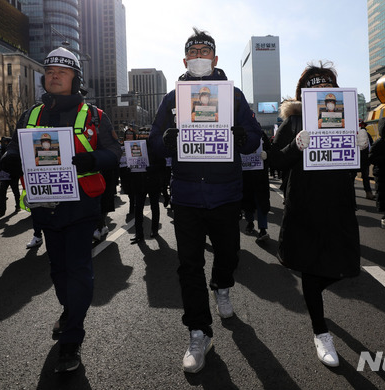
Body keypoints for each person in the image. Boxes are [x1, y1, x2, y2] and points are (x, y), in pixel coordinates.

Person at [148, 28, 262, 374]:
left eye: (204, 51)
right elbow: (153, 142)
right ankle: (199, 332)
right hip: (186, 195)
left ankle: (223, 285)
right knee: (189, 265)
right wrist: (165, 141)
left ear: (214, 59)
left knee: (228, 254)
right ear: (185, 60)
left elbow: (254, 138)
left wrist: (244, 137)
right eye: (193, 51)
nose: (199, 56)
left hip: (226, 193)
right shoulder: (172, 98)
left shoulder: (234, 96)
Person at [1, 47, 121, 372]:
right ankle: (70, 311)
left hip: (81, 207)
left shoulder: (95, 116)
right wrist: (9, 159)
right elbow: (14, 146)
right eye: (50, 70)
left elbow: (114, 151)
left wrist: (93, 159)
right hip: (44, 208)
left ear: (75, 78)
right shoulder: (29, 115)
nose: (54, 75)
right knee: (58, 270)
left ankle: (72, 339)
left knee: (79, 269)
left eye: (62, 71)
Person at [262, 62, 370, 367]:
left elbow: (354, 166)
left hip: (339, 206)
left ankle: (314, 300)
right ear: (304, 94)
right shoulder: (293, 123)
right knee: (311, 269)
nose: (323, 90)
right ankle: (320, 332)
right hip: (305, 206)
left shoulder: (347, 120)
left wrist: (365, 147)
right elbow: (276, 162)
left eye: (328, 85)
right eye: (315, 85)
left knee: (343, 267)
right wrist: (296, 147)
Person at [129, 138, 164, 244]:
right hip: (140, 183)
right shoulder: (135, 150)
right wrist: (130, 168)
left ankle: (154, 230)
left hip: (152, 183)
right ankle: (139, 233)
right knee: (138, 209)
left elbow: (162, 165)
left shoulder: (155, 150)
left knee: (153, 206)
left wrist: (151, 168)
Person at [242, 131, 271, 242]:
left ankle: (263, 228)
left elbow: (271, 150)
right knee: (247, 201)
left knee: (261, 202)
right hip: (246, 174)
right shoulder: (241, 132)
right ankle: (250, 223)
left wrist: (266, 154)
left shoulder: (261, 134)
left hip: (260, 176)